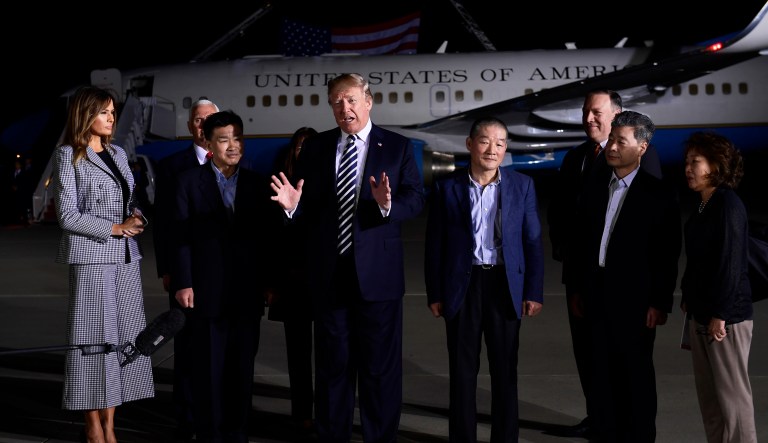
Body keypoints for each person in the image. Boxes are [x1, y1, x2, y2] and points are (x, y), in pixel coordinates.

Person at [270, 73, 424, 443]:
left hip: (378, 277)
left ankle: (379, 437)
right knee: (333, 367)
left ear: (368, 102)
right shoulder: (318, 148)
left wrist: (389, 205)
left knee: (379, 370)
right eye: (337, 101)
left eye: (352, 100)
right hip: (330, 277)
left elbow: (416, 199)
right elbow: (309, 208)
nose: (345, 108)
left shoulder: (398, 147)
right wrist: (294, 208)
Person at [546, 89, 662, 438]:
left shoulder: (644, 158)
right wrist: (566, 256)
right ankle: (598, 419)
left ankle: (633, 428)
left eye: (597, 112)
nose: (589, 119)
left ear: (618, 114)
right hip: (582, 279)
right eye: (585, 112)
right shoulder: (576, 157)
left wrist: (655, 294)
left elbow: (654, 229)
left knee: (629, 364)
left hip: (626, 287)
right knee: (589, 355)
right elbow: (560, 212)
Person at [424, 116, 544, 442]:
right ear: (470, 144)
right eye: (485, 141)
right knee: (463, 373)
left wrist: (533, 290)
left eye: (500, 143)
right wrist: (435, 292)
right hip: (463, 286)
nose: (493, 149)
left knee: (505, 371)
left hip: (505, 286)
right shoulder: (446, 188)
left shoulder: (522, 186)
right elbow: (434, 245)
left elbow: (533, 242)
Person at [49, 86, 154, 443]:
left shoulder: (119, 153)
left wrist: (134, 216)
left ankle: (111, 424)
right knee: (93, 343)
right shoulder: (69, 156)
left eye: (113, 111)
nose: (112, 118)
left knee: (123, 343)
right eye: (105, 112)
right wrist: (114, 228)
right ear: (85, 115)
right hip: (92, 259)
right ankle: (93, 425)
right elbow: (67, 215)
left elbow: (129, 199)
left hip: (126, 258)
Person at [571, 110, 681, 442]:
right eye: (612, 140)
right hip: (595, 295)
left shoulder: (658, 195)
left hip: (635, 302)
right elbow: (582, 243)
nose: (612, 147)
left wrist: (659, 301)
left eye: (621, 141)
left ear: (643, 147)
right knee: (599, 375)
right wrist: (578, 289)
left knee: (634, 377)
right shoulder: (595, 188)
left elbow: (667, 253)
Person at [171, 110, 279, 442]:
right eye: (223, 139)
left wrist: (270, 283)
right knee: (209, 370)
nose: (232, 146)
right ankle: (210, 434)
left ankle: (238, 433)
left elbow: (270, 238)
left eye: (237, 138)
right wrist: (184, 281)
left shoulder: (258, 183)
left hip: (247, 294)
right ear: (207, 143)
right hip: (206, 291)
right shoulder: (189, 182)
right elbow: (180, 236)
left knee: (241, 370)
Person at [680, 131, 757, 443]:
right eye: (687, 161)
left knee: (733, 400)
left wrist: (721, 314)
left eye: (695, 162)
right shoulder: (704, 205)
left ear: (716, 166)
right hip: (703, 314)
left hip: (725, 319)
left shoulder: (727, 205)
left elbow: (730, 264)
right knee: (711, 399)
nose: (687, 168)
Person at [151, 98, 219, 441]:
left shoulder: (234, 159)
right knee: (189, 347)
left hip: (225, 275)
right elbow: (164, 225)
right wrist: (168, 269)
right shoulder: (171, 166)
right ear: (191, 126)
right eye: (196, 119)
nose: (202, 124)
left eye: (209, 118)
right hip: (186, 273)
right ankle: (187, 419)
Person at [267, 126, 318, 434]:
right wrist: (272, 283)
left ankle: (328, 412)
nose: (305, 151)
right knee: (298, 355)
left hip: (325, 281)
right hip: (294, 281)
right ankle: (302, 414)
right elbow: (271, 240)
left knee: (330, 354)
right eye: (301, 146)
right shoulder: (278, 183)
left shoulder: (331, 183)